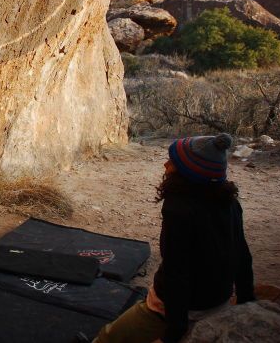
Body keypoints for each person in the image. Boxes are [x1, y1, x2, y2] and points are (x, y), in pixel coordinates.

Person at [94, 133, 255, 343]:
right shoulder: (229, 203)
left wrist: (174, 330)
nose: (166, 164)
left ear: (187, 174)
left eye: (173, 162)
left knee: (108, 337)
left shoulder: (179, 210)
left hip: (183, 308)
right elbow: (242, 255)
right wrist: (247, 303)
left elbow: (176, 274)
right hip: (219, 301)